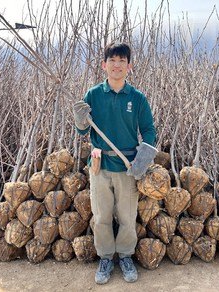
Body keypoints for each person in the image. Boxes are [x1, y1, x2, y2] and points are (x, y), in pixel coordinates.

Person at [73, 42, 157, 285]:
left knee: (128, 216)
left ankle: (127, 255)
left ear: (129, 66)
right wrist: (80, 120)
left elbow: (149, 130)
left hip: (127, 166)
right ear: (104, 65)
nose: (117, 65)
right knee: (101, 216)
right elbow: (82, 131)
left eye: (122, 61)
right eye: (112, 60)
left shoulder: (138, 98)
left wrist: (142, 158)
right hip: (100, 165)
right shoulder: (93, 95)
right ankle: (106, 257)